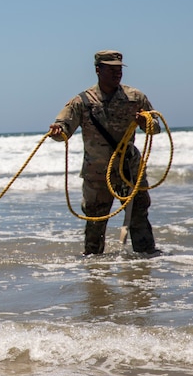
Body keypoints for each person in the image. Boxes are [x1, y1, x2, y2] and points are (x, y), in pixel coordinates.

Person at [49, 50, 161, 256]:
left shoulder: (135, 97)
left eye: (119, 69)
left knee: (139, 218)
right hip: (97, 175)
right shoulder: (82, 102)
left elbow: (155, 127)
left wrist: (147, 123)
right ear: (98, 70)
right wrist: (57, 132)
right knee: (95, 225)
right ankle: (94, 274)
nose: (117, 73)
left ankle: (145, 269)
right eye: (111, 69)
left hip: (130, 171)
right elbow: (62, 129)